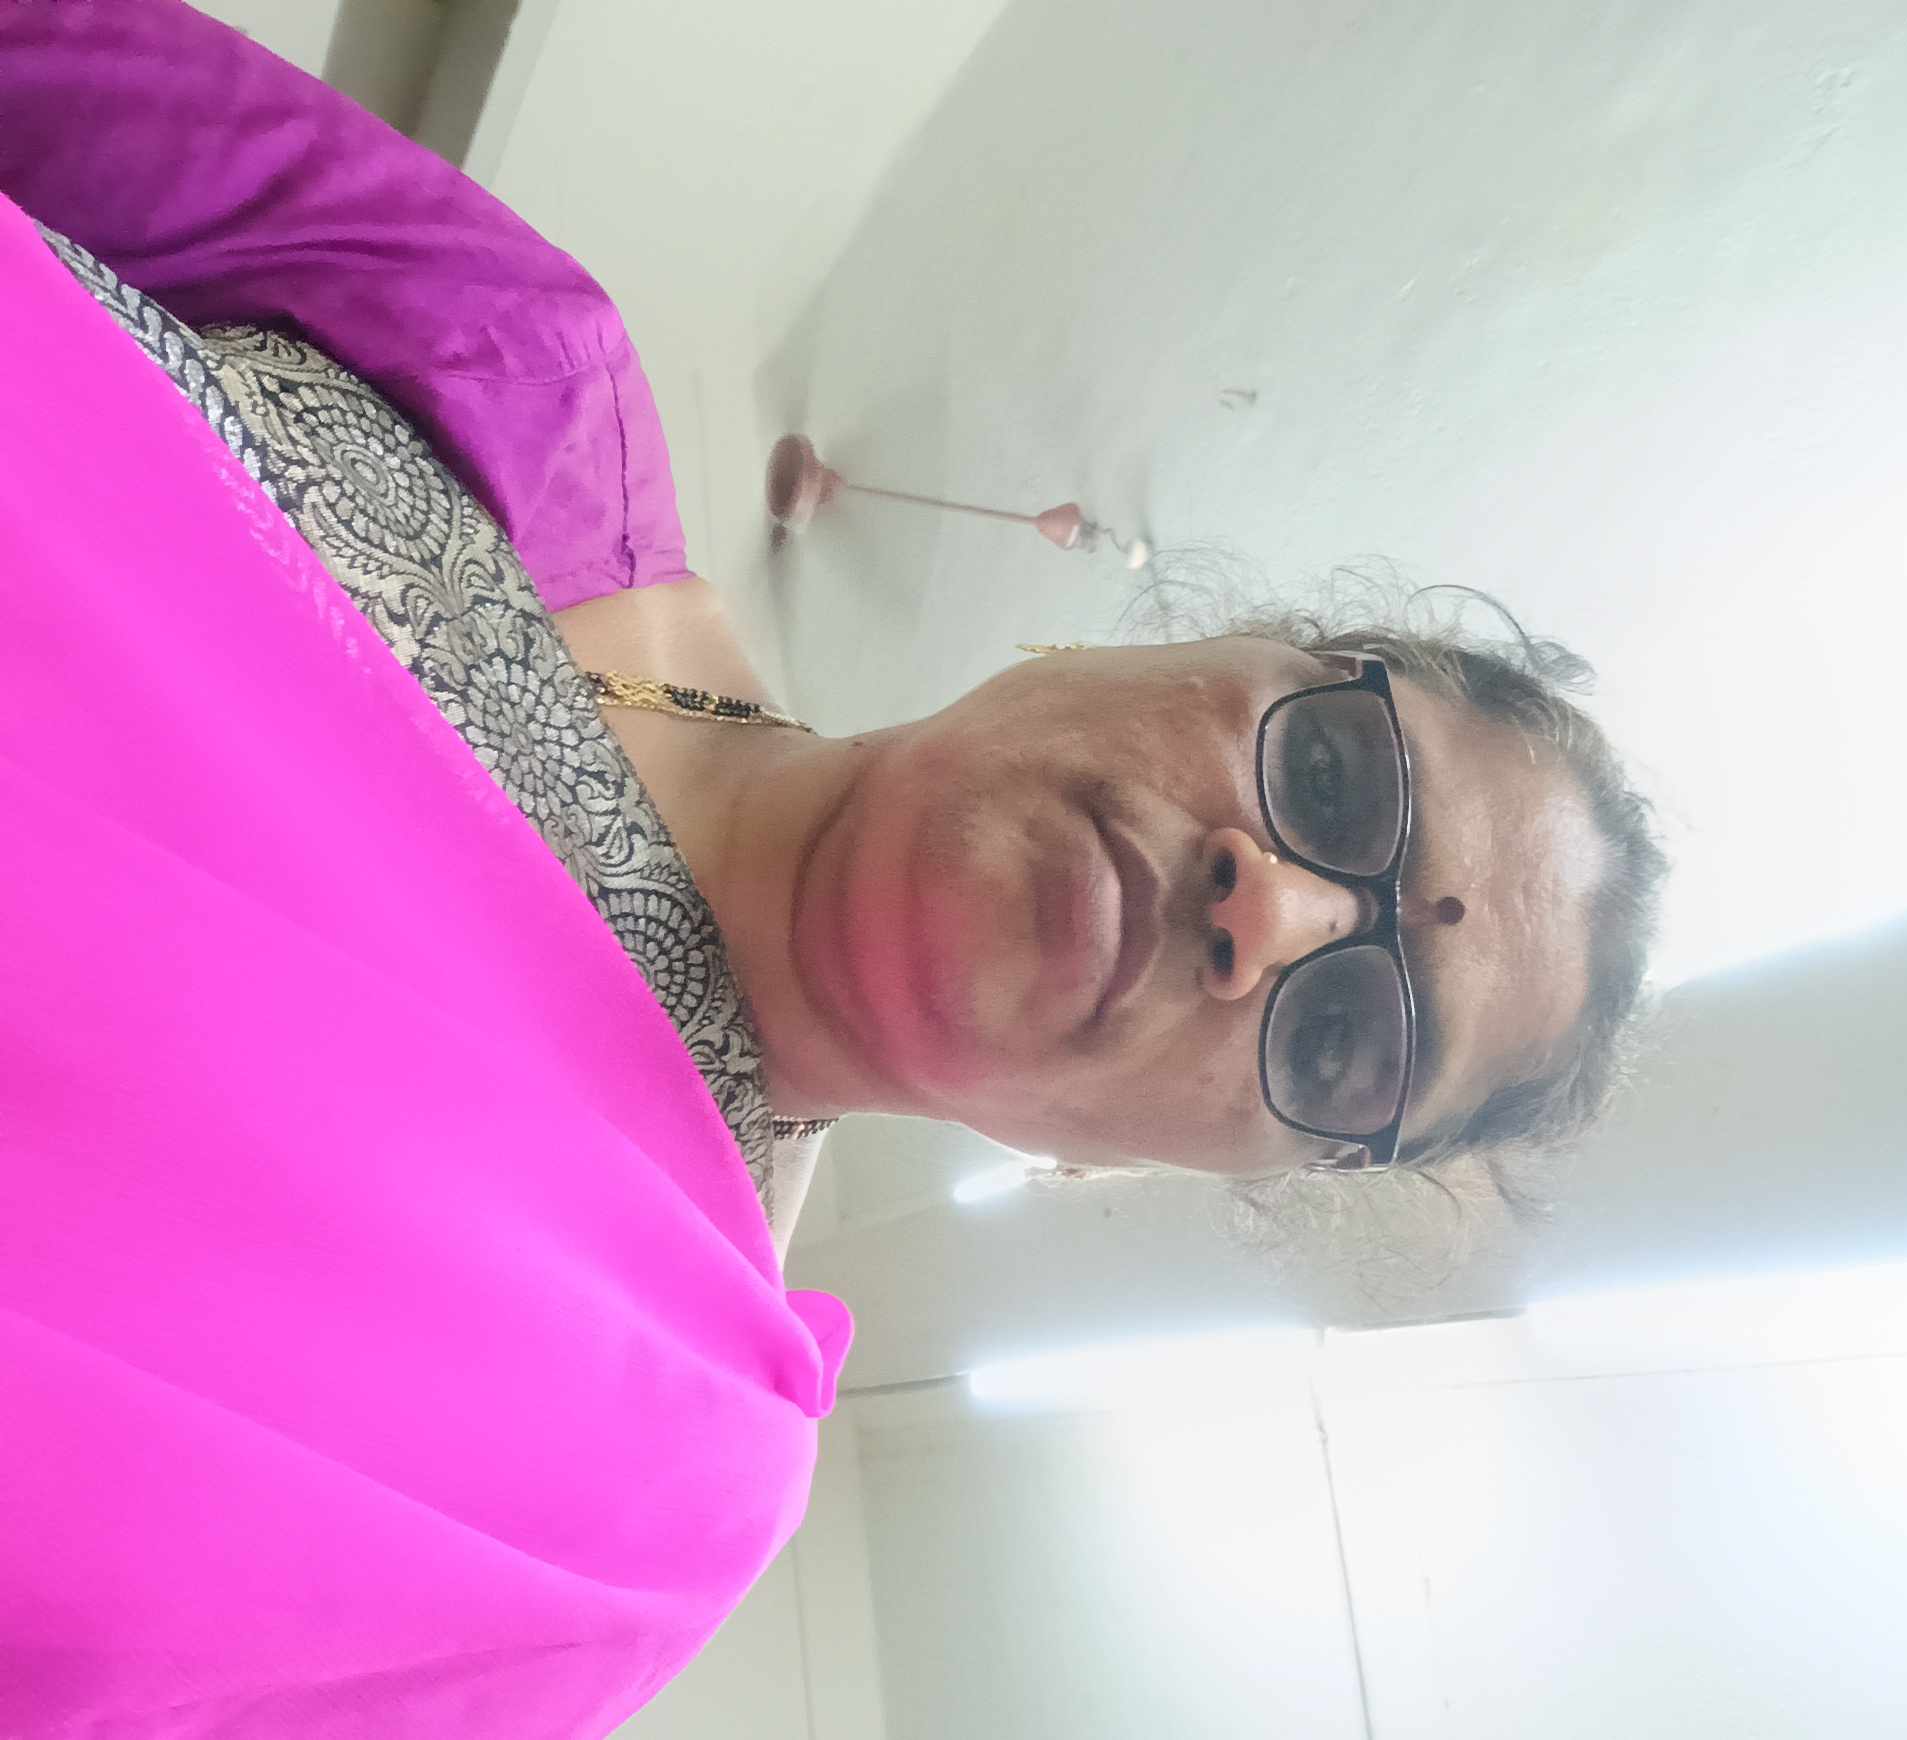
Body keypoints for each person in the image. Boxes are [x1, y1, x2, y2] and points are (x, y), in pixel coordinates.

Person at [0, 4, 1665, 1732]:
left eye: (1344, 1042)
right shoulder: (512, 359)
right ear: (1201, 643)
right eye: (1336, 774)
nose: (1275, 912)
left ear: (1168, 1162)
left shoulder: (627, 1503)